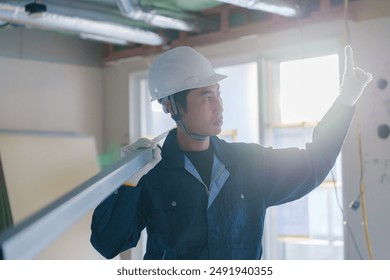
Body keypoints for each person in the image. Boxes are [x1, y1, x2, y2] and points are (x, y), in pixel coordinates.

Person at [90, 45, 372, 260]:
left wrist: (345, 102)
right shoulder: (152, 176)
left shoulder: (250, 163)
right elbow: (107, 243)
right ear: (171, 107)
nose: (219, 106)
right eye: (206, 96)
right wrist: (126, 181)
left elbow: (313, 164)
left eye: (219, 93)